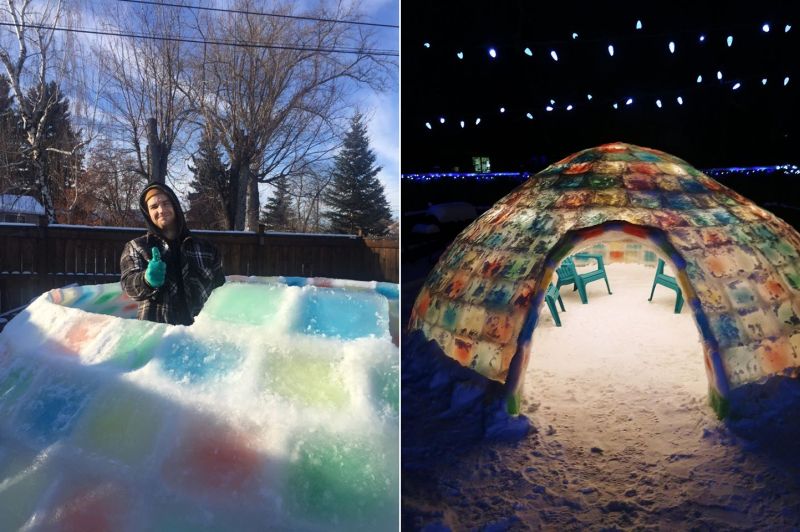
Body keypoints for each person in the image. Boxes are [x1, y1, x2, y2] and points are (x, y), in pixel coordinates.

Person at [120, 182, 225, 325]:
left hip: (201, 338)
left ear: (175, 205)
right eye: (154, 207)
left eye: (166, 203)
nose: (161, 210)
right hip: (157, 339)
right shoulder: (136, 247)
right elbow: (129, 287)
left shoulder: (207, 249)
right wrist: (146, 280)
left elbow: (222, 292)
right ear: (148, 213)